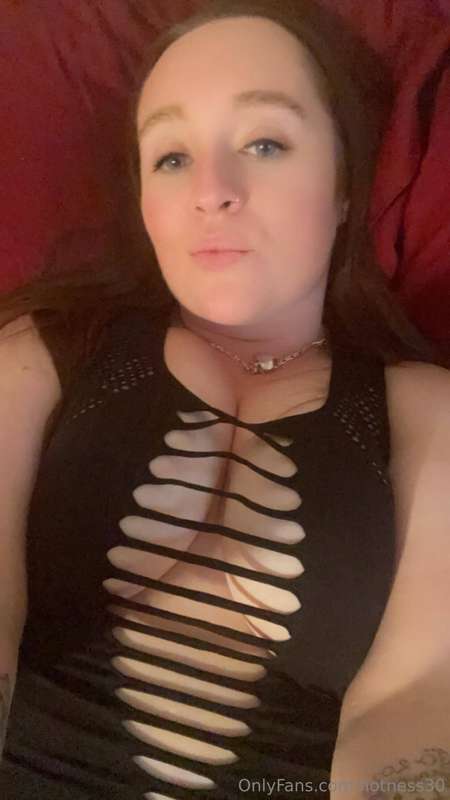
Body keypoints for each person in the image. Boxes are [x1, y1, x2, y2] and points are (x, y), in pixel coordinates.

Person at [1, 0, 449, 798]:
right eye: (171, 157)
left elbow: (415, 701)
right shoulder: (44, 355)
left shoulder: (426, 415)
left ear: (345, 187)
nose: (212, 191)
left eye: (265, 143)